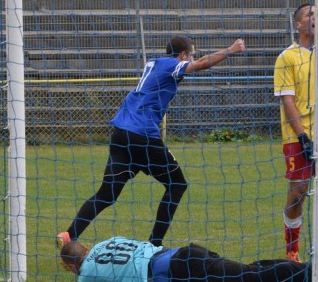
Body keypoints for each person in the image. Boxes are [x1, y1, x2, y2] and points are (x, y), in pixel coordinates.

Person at [57, 36, 246, 249]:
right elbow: (200, 65)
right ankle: (155, 244)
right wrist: (231, 49)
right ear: (183, 55)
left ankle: (68, 235)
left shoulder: (153, 63)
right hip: (142, 135)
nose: (191, 58)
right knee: (177, 185)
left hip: (121, 133)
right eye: (190, 54)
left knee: (107, 194)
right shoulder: (173, 64)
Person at [273, 4, 318, 262]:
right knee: (298, 191)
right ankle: (292, 250)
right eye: (309, 15)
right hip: (297, 138)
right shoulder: (287, 57)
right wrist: (303, 136)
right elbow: (288, 100)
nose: (315, 18)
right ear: (299, 25)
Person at [59, 236, 318, 282]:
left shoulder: (85, 275)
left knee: (250, 277)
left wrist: (67, 255)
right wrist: (69, 244)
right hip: (181, 254)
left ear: (71, 266)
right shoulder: (106, 242)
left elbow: (82, 278)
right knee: (250, 269)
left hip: (181, 273)